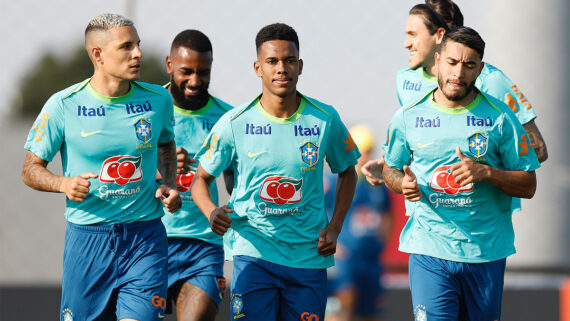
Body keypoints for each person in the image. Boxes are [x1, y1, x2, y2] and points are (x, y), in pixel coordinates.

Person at [191, 23, 360, 320]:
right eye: (272, 61)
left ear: (300, 65)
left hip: (308, 258)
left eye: (289, 60)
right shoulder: (235, 123)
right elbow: (200, 180)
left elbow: (348, 171)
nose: (281, 68)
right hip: (254, 255)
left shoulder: (325, 119)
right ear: (258, 67)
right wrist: (211, 211)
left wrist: (335, 226)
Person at [21, 13, 181, 321]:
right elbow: (29, 169)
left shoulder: (159, 99)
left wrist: (170, 183)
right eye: (126, 47)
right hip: (88, 242)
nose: (138, 54)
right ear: (98, 54)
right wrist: (62, 183)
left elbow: (166, 143)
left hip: (145, 238)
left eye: (138, 44)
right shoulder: (62, 105)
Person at [382, 27, 539, 320]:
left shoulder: (501, 117)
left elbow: (528, 184)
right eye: (453, 63)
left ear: (480, 68)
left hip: (485, 253)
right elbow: (389, 169)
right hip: (430, 250)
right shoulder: (408, 117)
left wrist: (487, 172)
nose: (458, 73)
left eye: (469, 65)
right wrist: (402, 183)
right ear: (438, 60)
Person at [362, 0, 547, 188]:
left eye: (413, 34)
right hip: (426, 211)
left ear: (440, 35)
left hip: (482, 213)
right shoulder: (406, 80)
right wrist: (394, 169)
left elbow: (537, 150)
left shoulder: (490, 80)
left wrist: (483, 171)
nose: (406, 43)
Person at [161, 29, 233, 321]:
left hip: (203, 246)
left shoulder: (227, 118)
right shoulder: (147, 110)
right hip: (149, 243)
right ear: (169, 65)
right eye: (186, 71)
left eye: (203, 72)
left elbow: (237, 180)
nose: (194, 81)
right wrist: (160, 166)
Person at [324, 124, 393, 321]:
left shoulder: (378, 184)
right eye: (362, 150)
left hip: (371, 258)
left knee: (371, 311)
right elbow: (317, 211)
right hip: (345, 258)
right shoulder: (335, 181)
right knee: (343, 302)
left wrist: (382, 241)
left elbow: (388, 215)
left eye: (369, 150)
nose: (366, 155)